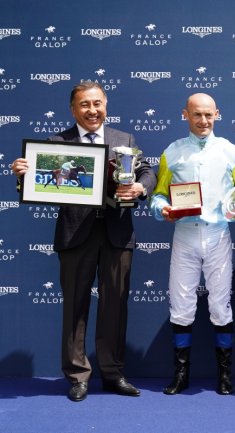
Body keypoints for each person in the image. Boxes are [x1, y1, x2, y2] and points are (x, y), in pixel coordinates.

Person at [10, 81, 156, 402]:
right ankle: (77, 375)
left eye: (97, 103)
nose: (92, 110)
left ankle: (113, 373)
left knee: (115, 306)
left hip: (117, 233)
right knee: (75, 307)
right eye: (85, 105)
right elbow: (38, 183)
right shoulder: (56, 143)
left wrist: (141, 187)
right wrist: (23, 176)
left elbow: (147, 172)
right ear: (73, 109)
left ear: (106, 105)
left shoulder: (125, 139)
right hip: (76, 234)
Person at [149, 93, 235, 396]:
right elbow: (158, 195)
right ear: (185, 114)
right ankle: (181, 375)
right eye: (197, 114)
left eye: (209, 114)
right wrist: (162, 209)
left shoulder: (231, 152)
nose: (204, 120)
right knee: (181, 307)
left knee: (220, 307)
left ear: (217, 114)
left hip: (218, 235)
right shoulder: (172, 152)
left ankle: (225, 376)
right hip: (184, 236)